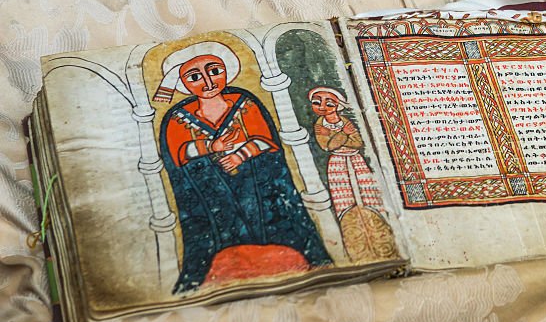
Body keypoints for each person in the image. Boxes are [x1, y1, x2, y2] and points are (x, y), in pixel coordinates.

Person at [154, 41, 333, 292]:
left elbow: (267, 141)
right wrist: (211, 148)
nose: (207, 81)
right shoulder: (177, 116)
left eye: (214, 70)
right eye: (195, 76)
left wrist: (241, 154)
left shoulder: (244, 101)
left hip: (254, 183)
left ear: (227, 69)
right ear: (184, 83)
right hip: (212, 190)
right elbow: (178, 154)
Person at [307, 86, 386, 216]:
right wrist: (343, 133)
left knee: (367, 192)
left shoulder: (345, 121)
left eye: (329, 104)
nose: (322, 107)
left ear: (337, 105)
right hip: (337, 161)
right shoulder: (320, 125)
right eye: (316, 102)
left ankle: (376, 217)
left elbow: (358, 143)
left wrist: (333, 134)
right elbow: (328, 146)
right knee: (343, 197)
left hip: (356, 159)